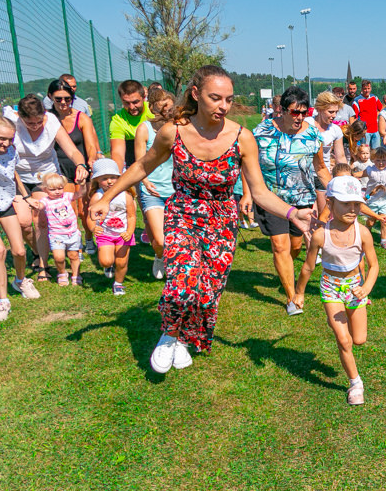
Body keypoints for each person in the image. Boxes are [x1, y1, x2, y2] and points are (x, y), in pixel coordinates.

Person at [91, 65, 315, 372]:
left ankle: (185, 339)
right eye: (215, 98)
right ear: (196, 94)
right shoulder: (174, 131)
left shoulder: (242, 137)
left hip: (223, 219)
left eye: (228, 99)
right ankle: (169, 334)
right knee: (182, 282)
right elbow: (142, 166)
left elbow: (260, 191)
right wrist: (106, 197)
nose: (223, 106)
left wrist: (294, 213)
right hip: (183, 213)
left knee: (208, 290)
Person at [293, 176, 379, 406]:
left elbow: (374, 265)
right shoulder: (321, 235)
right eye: (346, 203)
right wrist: (299, 292)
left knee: (359, 339)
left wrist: (366, 287)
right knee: (344, 340)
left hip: (355, 288)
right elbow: (309, 266)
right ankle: (355, 384)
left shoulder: (364, 233)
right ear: (330, 203)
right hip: (330, 288)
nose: (352, 209)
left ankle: (358, 310)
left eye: (356, 204)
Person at [249, 85, 332, 316]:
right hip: (271, 197)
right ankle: (291, 297)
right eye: (295, 112)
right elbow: (249, 164)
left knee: (295, 246)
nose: (300, 117)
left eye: (304, 112)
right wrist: (247, 193)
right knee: (279, 245)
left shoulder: (313, 134)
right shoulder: (262, 131)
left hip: (302, 199)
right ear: (282, 110)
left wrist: (337, 190)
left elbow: (320, 167)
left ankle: (286, 272)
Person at [5, 95, 88, 281]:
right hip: (18, 175)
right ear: (20, 117)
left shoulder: (51, 121)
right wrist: (25, 195)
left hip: (46, 175)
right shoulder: (12, 123)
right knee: (24, 222)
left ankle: (44, 264)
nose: (35, 126)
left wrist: (81, 165)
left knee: (41, 219)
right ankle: (36, 251)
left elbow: (72, 150)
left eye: (38, 121)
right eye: (30, 123)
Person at [0, 116, 41, 321]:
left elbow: (12, 173)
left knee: (19, 250)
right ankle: (3, 301)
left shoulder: (12, 151)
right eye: (1, 139)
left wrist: (25, 196)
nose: (6, 144)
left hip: (5, 201)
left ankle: (20, 280)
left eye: (10, 139)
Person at [47, 78, 100, 255]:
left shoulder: (81, 117)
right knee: (68, 210)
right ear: (50, 97)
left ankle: (89, 238)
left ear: (72, 98)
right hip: (59, 170)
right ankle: (72, 244)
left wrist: (89, 162)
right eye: (58, 99)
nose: (63, 103)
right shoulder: (47, 118)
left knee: (85, 210)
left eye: (67, 99)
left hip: (81, 168)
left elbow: (91, 145)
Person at [134, 88, 177, 279]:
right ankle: (160, 256)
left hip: (177, 191)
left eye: (170, 104)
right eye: (163, 105)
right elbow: (139, 163)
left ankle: (178, 270)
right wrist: (145, 181)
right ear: (152, 108)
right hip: (152, 190)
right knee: (160, 240)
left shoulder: (178, 127)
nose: (167, 109)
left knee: (178, 238)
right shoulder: (144, 129)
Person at [86, 160, 135, 295]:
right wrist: (92, 228)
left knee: (122, 262)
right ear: (97, 180)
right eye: (104, 178)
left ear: (119, 178)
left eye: (113, 177)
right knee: (106, 261)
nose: (109, 181)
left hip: (122, 234)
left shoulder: (126, 196)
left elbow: (131, 216)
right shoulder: (97, 196)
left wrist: (130, 231)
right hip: (105, 234)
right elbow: (90, 216)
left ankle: (118, 284)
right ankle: (108, 267)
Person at [36, 172, 86, 286]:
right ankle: (62, 273)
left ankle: (76, 274)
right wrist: (33, 204)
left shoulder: (66, 196)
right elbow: (39, 206)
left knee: (73, 256)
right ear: (45, 190)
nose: (57, 191)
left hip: (72, 233)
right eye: (53, 189)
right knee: (58, 257)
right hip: (56, 235)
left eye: (60, 188)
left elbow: (80, 194)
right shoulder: (46, 201)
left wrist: (82, 185)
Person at [109, 80, 153, 172]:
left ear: (144, 97)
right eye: (126, 103)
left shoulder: (154, 111)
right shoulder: (118, 120)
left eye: (135, 102)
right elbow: (118, 153)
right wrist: (117, 173)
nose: (132, 107)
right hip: (134, 166)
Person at [352, 80, 383, 149]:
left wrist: (376, 114)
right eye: (365, 89)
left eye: (368, 88)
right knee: (364, 151)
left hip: (375, 130)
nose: (367, 90)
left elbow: (381, 108)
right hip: (364, 132)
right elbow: (355, 117)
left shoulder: (374, 98)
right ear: (362, 89)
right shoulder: (357, 101)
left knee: (376, 152)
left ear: (371, 88)